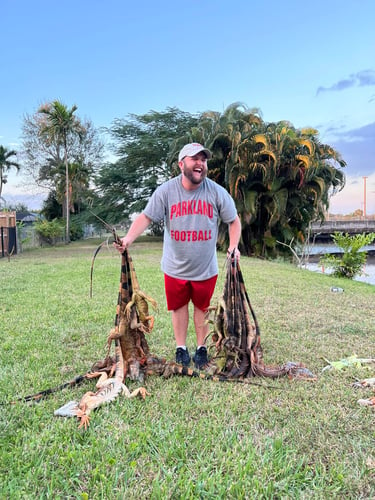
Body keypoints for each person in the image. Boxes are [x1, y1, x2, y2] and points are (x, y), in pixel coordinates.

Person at [114, 142, 241, 368]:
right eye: (195, 159)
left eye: (203, 160)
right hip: (175, 267)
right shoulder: (166, 191)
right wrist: (127, 240)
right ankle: (181, 348)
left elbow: (233, 220)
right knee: (179, 308)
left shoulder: (216, 192)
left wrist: (233, 246)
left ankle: (201, 348)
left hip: (205, 268)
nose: (200, 163)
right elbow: (146, 217)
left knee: (202, 309)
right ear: (181, 164)